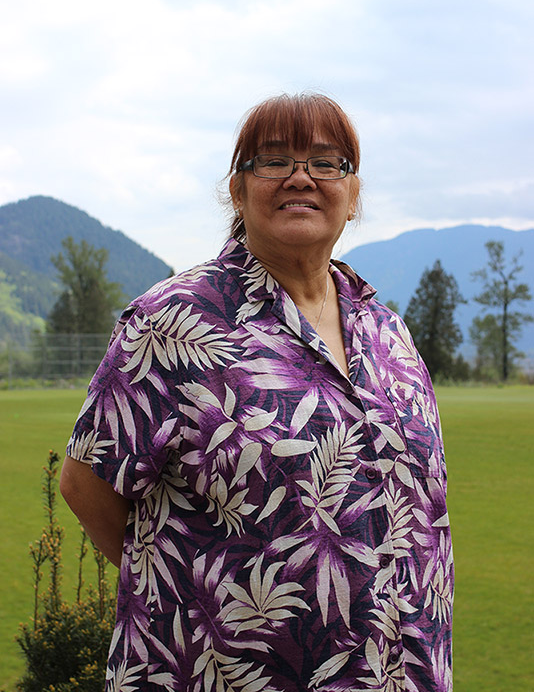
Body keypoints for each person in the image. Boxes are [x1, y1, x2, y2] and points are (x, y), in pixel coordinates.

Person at [61, 93, 453, 692]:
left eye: (327, 163)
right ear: (239, 192)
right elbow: (86, 481)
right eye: (274, 161)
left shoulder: (387, 332)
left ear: (353, 198)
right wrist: (192, 592)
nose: (302, 177)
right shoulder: (174, 323)